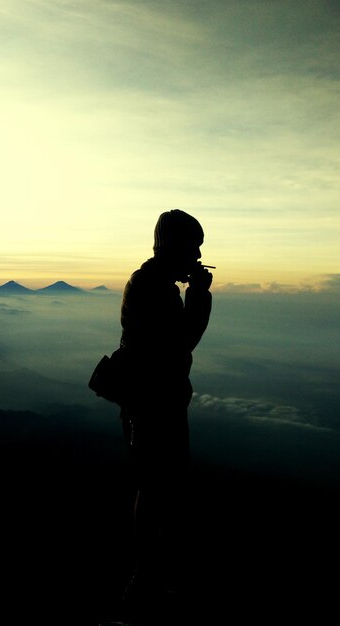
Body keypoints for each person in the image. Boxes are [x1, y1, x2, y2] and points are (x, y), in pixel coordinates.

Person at [119, 209, 212, 616]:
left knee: (155, 491)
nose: (196, 255)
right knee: (156, 492)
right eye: (192, 247)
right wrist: (201, 296)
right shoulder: (155, 289)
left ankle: (149, 582)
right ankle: (145, 587)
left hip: (151, 404)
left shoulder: (149, 283)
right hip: (154, 408)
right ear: (172, 245)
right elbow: (182, 342)